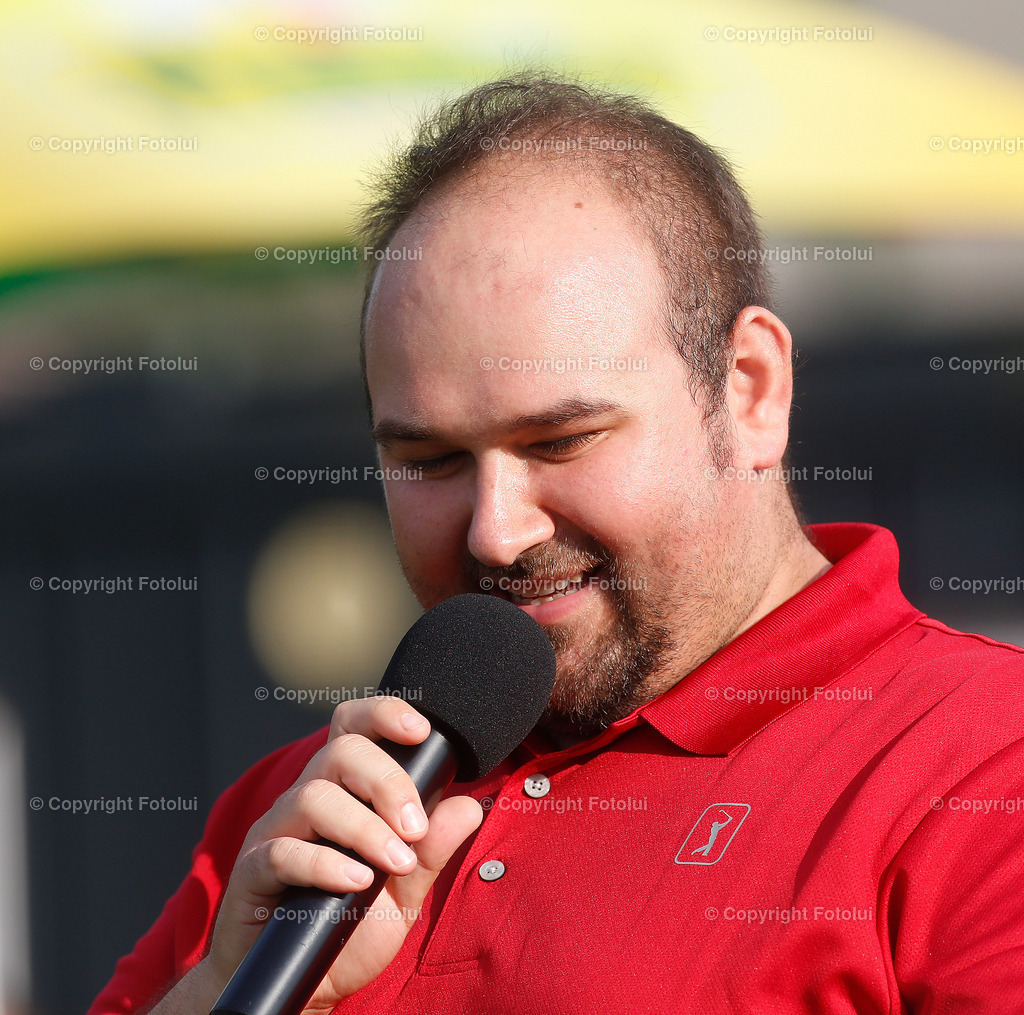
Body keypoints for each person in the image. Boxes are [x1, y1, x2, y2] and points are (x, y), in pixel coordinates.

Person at [90, 74, 1024, 1014]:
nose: (498, 528)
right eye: (430, 458)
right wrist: (226, 990)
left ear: (750, 389)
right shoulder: (303, 824)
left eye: (560, 442)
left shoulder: (986, 768)